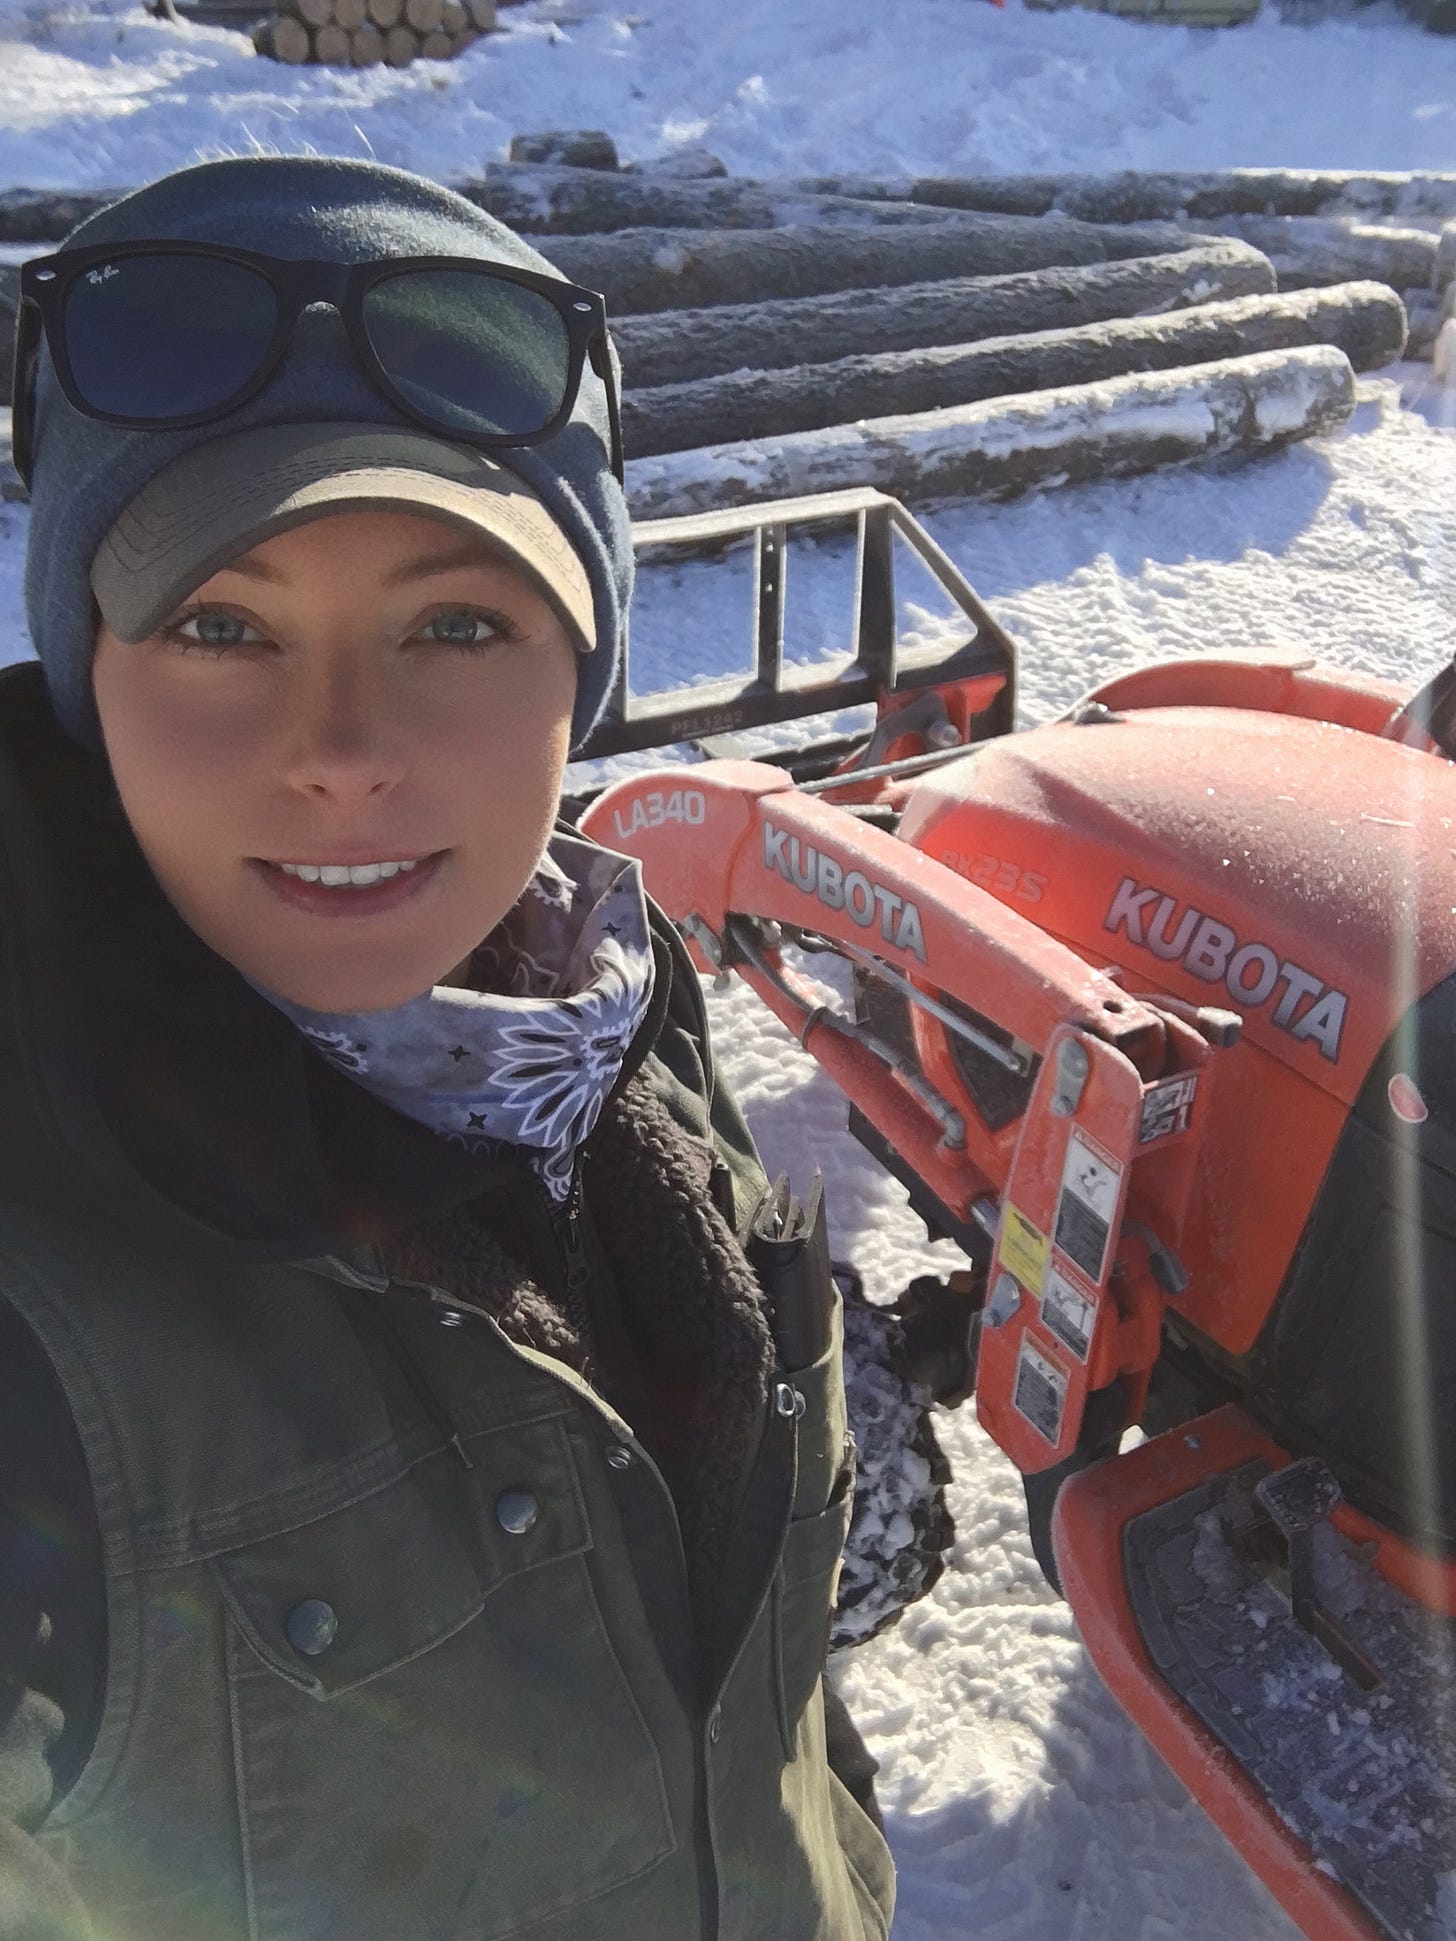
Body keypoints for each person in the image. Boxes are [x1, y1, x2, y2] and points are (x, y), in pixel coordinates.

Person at [0, 154, 896, 1941]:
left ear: (589, 663)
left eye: (457, 624)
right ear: (88, 668)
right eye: (223, 625)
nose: (340, 747)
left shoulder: (604, 1016)